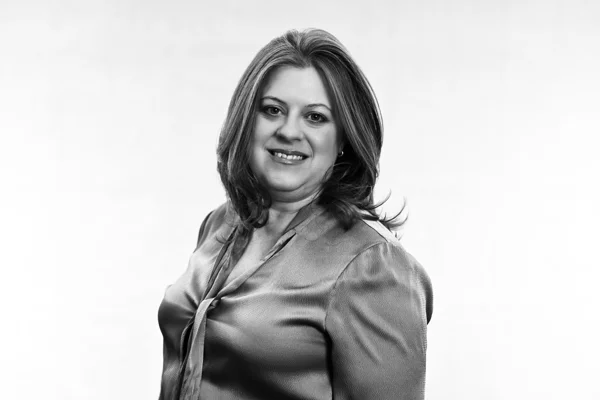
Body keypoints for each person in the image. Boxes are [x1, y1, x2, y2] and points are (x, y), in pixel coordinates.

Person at [157, 28, 433, 400]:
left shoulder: (373, 268)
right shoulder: (219, 224)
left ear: (343, 138)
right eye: (272, 110)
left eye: (315, 117)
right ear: (247, 119)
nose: (289, 131)